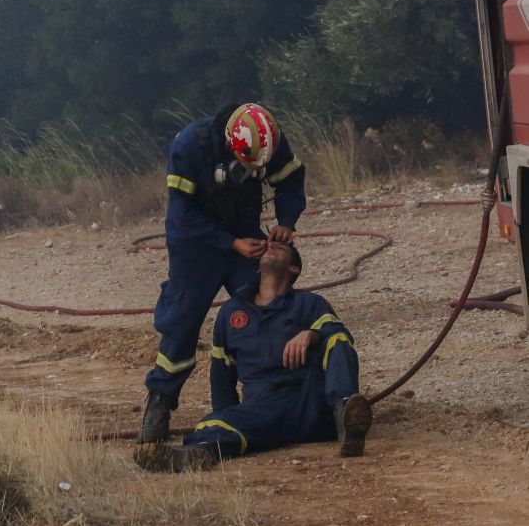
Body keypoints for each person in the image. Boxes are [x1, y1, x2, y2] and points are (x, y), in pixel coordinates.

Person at [138, 103, 307, 443]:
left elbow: (290, 180)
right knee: (182, 319)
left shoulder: (269, 141)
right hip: (195, 244)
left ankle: (276, 393)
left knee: (266, 305)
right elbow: (182, 215)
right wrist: (230, 243)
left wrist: (286, 222)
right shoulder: (189, 146)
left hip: (244, 235)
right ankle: (160, 401)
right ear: (231, 145)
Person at [133, 240, 373, 473]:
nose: (271, 245)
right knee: (212, 423)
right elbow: (221, 377)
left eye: (281, 248)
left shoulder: (310, 304)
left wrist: (312, 334)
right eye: (268, 246)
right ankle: (196, 455)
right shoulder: (231, 312)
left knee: (337, 339)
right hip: (263, 408)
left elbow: (340, 336)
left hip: (313, 405)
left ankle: (346, 420)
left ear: (294, 269)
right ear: (258, 268)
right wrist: (230, 416)